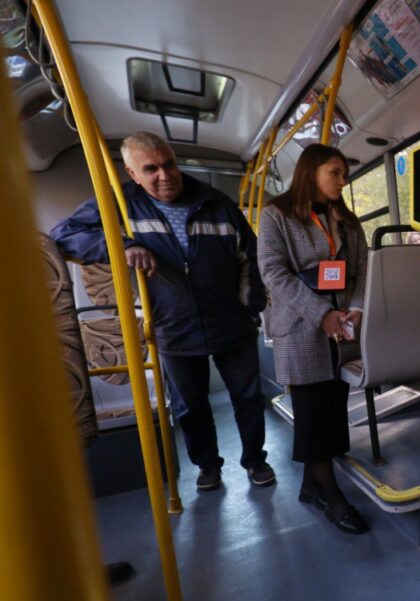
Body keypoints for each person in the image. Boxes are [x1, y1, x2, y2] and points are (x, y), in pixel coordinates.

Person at [51, 132, 272, 491]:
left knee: (248, 397)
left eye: (169, 165)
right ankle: (207, 466)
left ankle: (255, 460)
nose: (164, 175)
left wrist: (249, 308)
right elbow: (64, 234)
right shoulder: (122, 203)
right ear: (132, 173)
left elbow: (251, 256)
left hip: (230, 320)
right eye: (150, 169)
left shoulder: (215, 202)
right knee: (190, 406)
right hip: (172, 323)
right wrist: (121, 245)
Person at [257, 144, 370, 535]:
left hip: (343, 328)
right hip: (301, 327)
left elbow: (361, 270)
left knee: (333, 409)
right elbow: (274, 273)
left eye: (344, 174)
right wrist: (321, 313)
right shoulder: (277, 215)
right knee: (312, 413)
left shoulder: (348, 221)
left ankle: (310, 486)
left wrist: (356, 308)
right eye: (334, 173)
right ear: (311, 171)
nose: (342, 181)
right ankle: (331, 496)